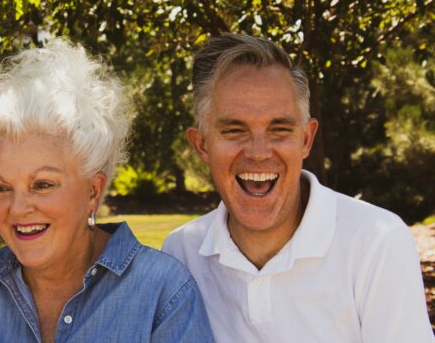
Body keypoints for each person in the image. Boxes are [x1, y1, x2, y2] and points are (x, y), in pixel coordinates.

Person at [163, 33, 434, 342]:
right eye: (234, 130)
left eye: (279, 129)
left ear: (306, 139)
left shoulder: (376, 241)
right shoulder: (182, 254)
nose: (258, 151)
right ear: (201, 145)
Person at [0, 39, 214, 343]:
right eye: (2, 188)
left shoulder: (162, 292)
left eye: (42, 184)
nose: (18, 208)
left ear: (93, 191)